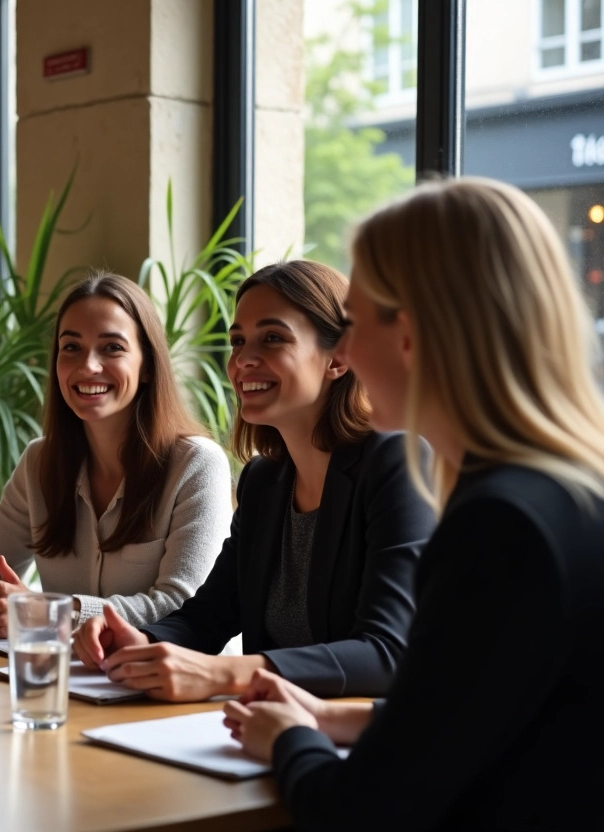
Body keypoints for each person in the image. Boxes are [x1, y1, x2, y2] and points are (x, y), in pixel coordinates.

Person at [223, 178, 604, 830]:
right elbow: (477, 711)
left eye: (356, 322)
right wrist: (326, 717)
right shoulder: (563, 492)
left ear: (417, 332)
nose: (342, 352)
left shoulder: (497, 527)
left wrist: (288, 739)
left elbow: (360, 813)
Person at [73, 261, 435, 701]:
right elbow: (207, 617)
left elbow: (387, 654)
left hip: (359, 747)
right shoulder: (265, 481)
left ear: (339, 357)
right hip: (268, 732)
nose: (243, 360)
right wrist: (137, 641)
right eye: (238, 341)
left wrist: (227, 675)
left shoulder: (395, 461)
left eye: (273, 338)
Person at [0, 272, 233, 640]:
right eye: (71, 348)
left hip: (180, 688)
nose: (88, 366)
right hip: (77, 682)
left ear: (147, 365)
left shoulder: (196, 464)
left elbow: (182, 605)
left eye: (112, 348)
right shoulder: (40, 461)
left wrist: (48, 613)